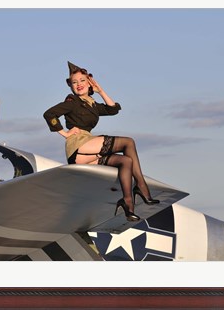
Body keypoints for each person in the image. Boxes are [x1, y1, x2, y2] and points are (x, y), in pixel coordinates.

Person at [43, 61, 159, 221]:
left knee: (126, 161)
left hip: (87, 152)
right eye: (74, 82)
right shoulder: (72, 102)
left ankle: (128, 204)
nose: (78, 85)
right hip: (78, 144)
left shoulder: (92, 104)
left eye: (82, 81)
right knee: (128, 142)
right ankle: (141, 186)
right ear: (70, 85)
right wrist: (64, 133)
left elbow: (113, 109)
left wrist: (99, 90)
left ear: (89, 82)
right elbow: (49, 114)